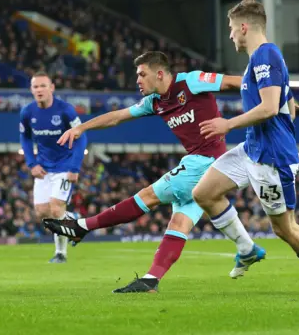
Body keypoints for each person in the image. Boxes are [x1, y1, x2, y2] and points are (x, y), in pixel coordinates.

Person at [43, 51, 261, 293]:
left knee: (148, 195)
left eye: (141, 74)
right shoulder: (154, 102)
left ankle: (82, 226)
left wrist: (272, 97)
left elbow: (236, 82)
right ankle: (151, 280)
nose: (137, 80)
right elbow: (117, 117)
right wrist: (81, 128)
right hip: (201, 167)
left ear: (159, 74)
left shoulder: (191, 81)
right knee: (179, 223)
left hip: (206, 162)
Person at [193, 0, 299, 297]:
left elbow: (268, 107)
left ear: (243, 27)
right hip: (253, 148)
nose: (230, 36)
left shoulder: (266, 55)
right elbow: (288, 106)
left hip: (271, 158)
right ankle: (247, 248)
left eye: (231, 29)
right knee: (204, 192)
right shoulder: (260, 60)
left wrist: (228, 124)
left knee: (285, 228)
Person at [19, 71, 87, 263]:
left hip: (65, 166)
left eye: (43, 86)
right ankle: (75, 222)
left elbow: (81, 136)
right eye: (35, 86)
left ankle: (60, 254)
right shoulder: (27, 112)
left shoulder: (65, 110)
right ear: (31, 90)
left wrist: (74, 167)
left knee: (56, 209)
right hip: (43, 168)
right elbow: (24, 137)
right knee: (42, 212)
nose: (39, 90)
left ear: (51, 88)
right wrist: (31, 163)